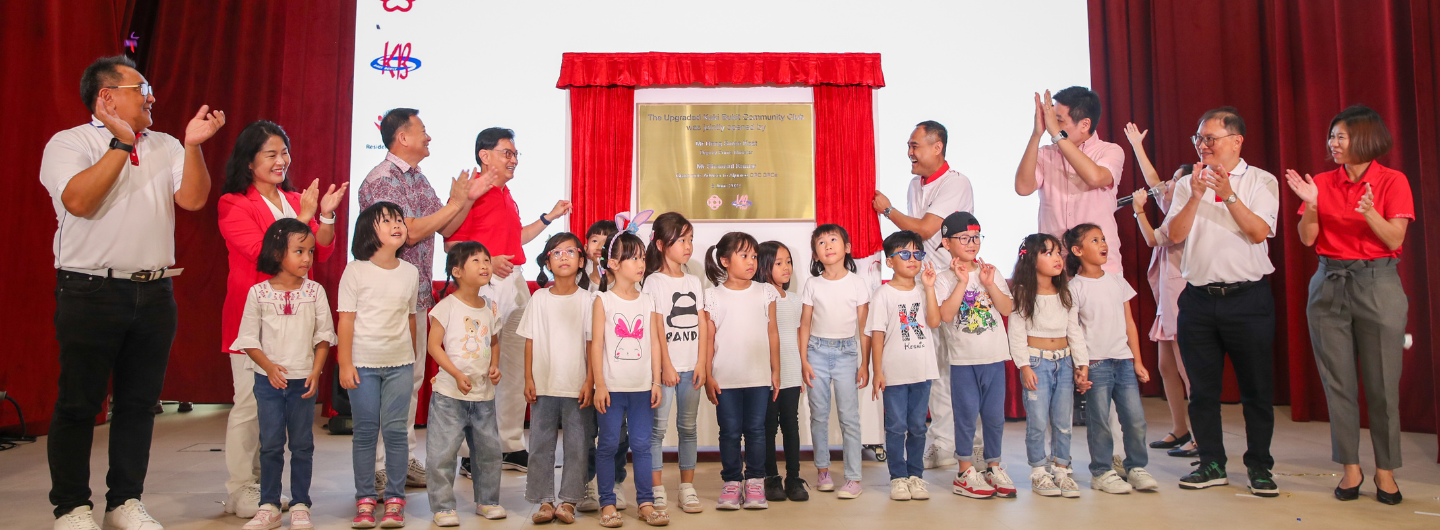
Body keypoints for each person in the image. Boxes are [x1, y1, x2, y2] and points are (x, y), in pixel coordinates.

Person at [41, 55, 225, 530]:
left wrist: (192, 146)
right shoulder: (70, 142)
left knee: (140, 404)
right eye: (140, 88)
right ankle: (71, 507)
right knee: (79, 402)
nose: (152, 97)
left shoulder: (164, 144)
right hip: (88, 289)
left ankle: (124, 501)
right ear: (107, 97)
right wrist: (120, 145)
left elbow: (193, 199)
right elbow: (79, 201)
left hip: (155, 291)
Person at [1284, 105, 1412, 505]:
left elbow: (1393, 239)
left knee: (1382, 385)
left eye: (1341, 137)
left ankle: (1386, 472)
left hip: (1378, 282)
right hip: (1329, 282)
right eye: (1332, 136)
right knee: (1338, 384)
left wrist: (1370, 212)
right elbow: (1307, 238)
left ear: (1366, 139)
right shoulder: (1321, 181)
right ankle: (1350, 469)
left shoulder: (1393, 181)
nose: (1333, 143)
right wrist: (1314, 205)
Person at [357, 108, 489, 489]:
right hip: (386, 299)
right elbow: (409, 232)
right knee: (387, 381)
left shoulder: (417, 177)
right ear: (402, 137)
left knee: (411, 382)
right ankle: (381, 467)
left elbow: (445, 224)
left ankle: (403, 458)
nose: (429, 137)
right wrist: (452, 204)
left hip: (414, 296)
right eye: (423, 130)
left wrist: (464, 199)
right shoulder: (383, 180)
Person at [217, 120, 343, 519]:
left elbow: (318, 252)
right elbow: (262, 253)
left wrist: (323, 219)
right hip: (254, 321)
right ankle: (242, 487)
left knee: (291, 414)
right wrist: (304, 218)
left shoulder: (294, 197)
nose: (281, 160)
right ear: (249, 161)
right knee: (250, 405)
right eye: (271, 154)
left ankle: (275, 491)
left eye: (284, 152)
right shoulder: (234, 202)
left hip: (299, 321)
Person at [1161, 107, 1281, 497]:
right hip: (1198, 299)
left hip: (1248, 299)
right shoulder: (1186, 184)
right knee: (1203, 390)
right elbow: (1173, 236)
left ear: (1236, 141)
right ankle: (1211, 462)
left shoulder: (1261, 180)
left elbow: (1259, 231)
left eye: (1209, 138)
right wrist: (1195, 195)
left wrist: (1227, 194)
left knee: (1257, 389)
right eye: (1198, 139)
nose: (1202, 145)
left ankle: (1260, 466)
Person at [446, 127, 572, 473]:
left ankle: (509, 444)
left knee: (515, 368)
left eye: (515, 154)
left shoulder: (506, 194)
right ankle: (472, 454)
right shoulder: (469, 191)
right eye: (506, 152)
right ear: (484, 155)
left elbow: (515, 240)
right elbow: (449, 243)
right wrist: (487, 259)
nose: (513, 159)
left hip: (513, 282)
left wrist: (548, 217)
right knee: (480, 366)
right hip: (485, 287)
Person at [872, 120, 973, 468]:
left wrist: (887, 210)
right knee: (936, 365)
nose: (910, 153)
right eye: (909, 146)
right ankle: (943, 445)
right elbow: (917, 242)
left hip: (954, 279)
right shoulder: (916, 184)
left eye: (915, 145)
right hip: (927, 282)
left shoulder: (956, 182)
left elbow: (927, 228)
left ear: (937, 146)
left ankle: (964, 444)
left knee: (958, 365)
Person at [230, 220, 336, 530]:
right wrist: (269, 367)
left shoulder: (315, 291)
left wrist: (315, 372)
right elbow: (248, 339)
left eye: (310, 251)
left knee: (302, 443)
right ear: (277, 253)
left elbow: (323, 336)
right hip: (268, 382)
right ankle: (269, 505)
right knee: (271, 444)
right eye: (299, 251)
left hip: (303, 380)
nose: (307, 258)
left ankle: (301, 503)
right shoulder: (258, 293)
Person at [336, 202, 421, 528]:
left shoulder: (410, 272)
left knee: (397, 432)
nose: (397, 224)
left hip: (400, 364)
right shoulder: (355, 270)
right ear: (369, 231)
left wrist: (411, 357)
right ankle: (365, 498)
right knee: (366, 433)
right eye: (387, 221)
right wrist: (346, 364)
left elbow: (410, 318)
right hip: (363, 366)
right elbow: (346, 322)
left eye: (399, 219)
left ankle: (396, 499)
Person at [1063, 224, 1159, 494]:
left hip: (1123, 360)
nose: (1103, 244)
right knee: (1100, 421)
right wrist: (1081, 367)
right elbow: (1074, 332)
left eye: (1103, 239)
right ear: (1078, 251)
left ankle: (1136, 467)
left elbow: (1129, 323)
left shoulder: (1117, 280)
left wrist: (1137, 360)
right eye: (1095, 240)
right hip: (1096, 363)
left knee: (1135, 419)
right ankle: (1102, 471)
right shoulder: (1075, 288)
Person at [1124, 121, 1198, 458]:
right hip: (1165, 298)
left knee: (1189, 368)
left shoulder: (1186, 214)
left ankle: (1200, 434)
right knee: (1167, 366)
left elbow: (1154, 237)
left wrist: (1139, 211)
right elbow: (1155, 183)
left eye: (1175, 181)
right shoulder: (1172, 207)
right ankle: (1180, 429)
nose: (1166, 186)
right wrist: (1138, 147)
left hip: (1182, 293)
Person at [932, 212, 1015, 498]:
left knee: (994, 417)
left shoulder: (990, 272)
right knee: (966, 416)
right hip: (964, 362)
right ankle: (965, 471)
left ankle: (993, 466)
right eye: (964, 238)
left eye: (976, 237)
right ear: (946, 242)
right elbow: (945, 314)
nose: (972, 243)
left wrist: (989, 283)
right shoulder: (944, 279)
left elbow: (1006, 309)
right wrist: (962, 282)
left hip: (994, 358)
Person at [591, 229, 668, 528]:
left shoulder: (648, 300)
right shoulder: (603, 301)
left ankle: (646, 503)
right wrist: (599, 384)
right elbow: (596, 345)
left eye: (642, 257)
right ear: (612, 263)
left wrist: (656, 381)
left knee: (643, 445)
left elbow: (655, 343)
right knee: (608, 445)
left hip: (641, 390)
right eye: (633, 257)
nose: (640, 263)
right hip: (611, 389)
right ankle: (607, 504)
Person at [424, 242, 505, 526]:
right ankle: (443, 506)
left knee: (488, 452)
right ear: (457, 271)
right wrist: (457, 374)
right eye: (476, 260)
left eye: (487, 259)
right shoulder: (446, 306)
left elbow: (494, 341)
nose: (485, 265)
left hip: (483, 395)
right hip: (450, 394)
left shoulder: (490, 308)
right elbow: (434, 346)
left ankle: (488, 500)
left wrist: (494, 366)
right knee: (442, 452)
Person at [703, 232, 781, 511]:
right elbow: (709, 339)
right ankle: (732, 482)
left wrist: (776, 370)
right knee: (730, 432)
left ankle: (755, 481)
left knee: (757, 431)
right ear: (724, 260)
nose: (751, 262)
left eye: (754, 256)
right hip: (725, 378)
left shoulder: (765, 291)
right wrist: (708, 375)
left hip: (758, 377)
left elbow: (773, 333)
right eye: (744, 255)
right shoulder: (712, 296)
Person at [1007, 233, 1089, 499]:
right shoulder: (1022, 293)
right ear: (1032, 260)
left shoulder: (1065, 292)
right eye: (1048, 253)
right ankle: (1039, 471)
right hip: (1037, 362)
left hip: (1064, 362)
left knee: (1064, 421)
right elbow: (1017, 333)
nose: (1057, 258)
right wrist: (1024, 366)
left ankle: (1061, 469)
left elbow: (1074, 330)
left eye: (1058, 253)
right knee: (1038, 421)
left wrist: (1081, 363)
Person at [522, 233, 596, 524]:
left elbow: (592, 344)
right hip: (544, 385)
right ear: (547, 262)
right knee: (541, 444)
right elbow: (529, 340)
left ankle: (569, 501)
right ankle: (544, 500)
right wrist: (528, 378)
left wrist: (590, 380)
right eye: (556, 252)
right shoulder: (539, 298)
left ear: (581, 260)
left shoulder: (589, 300)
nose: (563, 256)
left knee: (578, 445)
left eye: (570, 251)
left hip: (577, 386)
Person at [1014, 86, 1125, 274]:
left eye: (1059, 121)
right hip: (1057, 268)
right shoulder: (1045, 154)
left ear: (1084, 124)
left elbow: (1095, 177)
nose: (1052, 125)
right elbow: (1023, 188)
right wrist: (1036, 135)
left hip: (1100, 268)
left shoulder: (1110, 151)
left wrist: (1057, 136)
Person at [641, 213, 709, 512]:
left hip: (691, 369)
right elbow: (656, 328)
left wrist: (702, 362)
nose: (688, 245)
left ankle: (686, 486)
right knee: (657, 430)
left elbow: (703, 324)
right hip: (665, 370)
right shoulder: (653, 282)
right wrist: (664, 366)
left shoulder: (694, 280)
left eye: (690, 239)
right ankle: (656, 488)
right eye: (681, 239)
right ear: (661, 243)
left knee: (688, 428)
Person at [798, 224, 872, 499]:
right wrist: (804, 359)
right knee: (818, 415)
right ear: (815, 254)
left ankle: (853, 478)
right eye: (821, 242)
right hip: (816, 351)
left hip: (846, 353)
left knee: (849, 418)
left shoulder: (857, 283)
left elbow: (864, 326)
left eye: (833, 240)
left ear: (847, 248)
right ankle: (823, 471)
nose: (827, 245)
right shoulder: (812, 284)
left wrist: (865, 363)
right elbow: (804, 324)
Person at [867, 231, 942, 502]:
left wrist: (930, 288)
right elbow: (876, 333)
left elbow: (933, 321)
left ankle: (916, 476)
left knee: (918, 426)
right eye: (905, 254)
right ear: (890, 261)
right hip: (894, 372)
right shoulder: (882, 294)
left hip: (922, 371)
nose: (913, 260)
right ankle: (898, 477)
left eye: (917, 254)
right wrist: (877, 370)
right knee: (896, 426)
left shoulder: (923, 290)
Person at [756, 241, 809, 502]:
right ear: (764, 266)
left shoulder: (796, 299)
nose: (786, 267)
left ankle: (794, 477)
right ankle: (771, 477)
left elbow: (799, 337)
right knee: (767, 427)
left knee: (791, 424)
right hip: (766, 374)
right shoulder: (759, 296)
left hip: (790, 372)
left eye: (788, 261)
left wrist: (801, 367)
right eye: (779, 263)